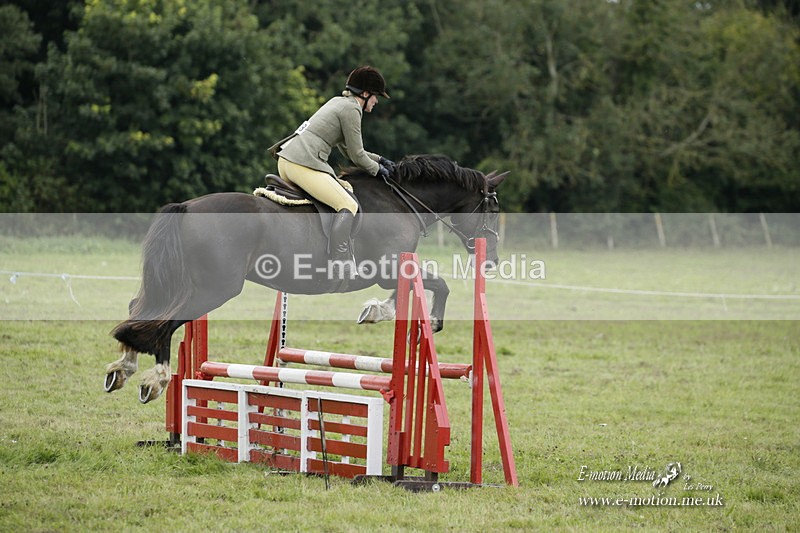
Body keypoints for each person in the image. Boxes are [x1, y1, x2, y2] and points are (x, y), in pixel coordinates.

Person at [273, 66, 394, 275]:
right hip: (302, 163)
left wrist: (380, 160)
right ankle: (340, 261)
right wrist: (377, 170)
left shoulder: (338, 102)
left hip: (288, 160)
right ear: (365, 94)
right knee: (347, 203)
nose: (376, 101)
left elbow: (348, 150)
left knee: (345, 189)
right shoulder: (352, 109)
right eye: (375, 96)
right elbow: (356, 155)